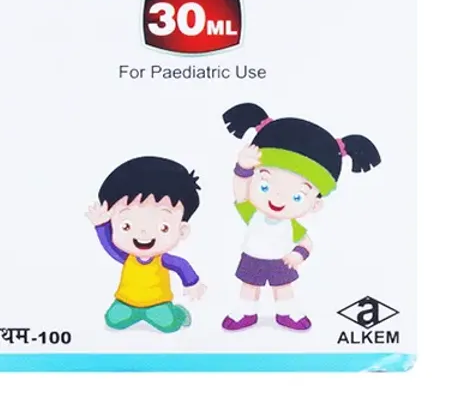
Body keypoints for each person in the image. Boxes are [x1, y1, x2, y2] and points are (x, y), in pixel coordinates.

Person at [221, 103, 381, 331]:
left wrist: (298, 254)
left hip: (281, 260)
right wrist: (242, 167)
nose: (277, 199)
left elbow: (306, 242)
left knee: (283, 288)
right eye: (265, 186)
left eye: (298, 196)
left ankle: (286, 313)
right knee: (249, 286)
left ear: (315, 204)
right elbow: (241, 192)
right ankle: (245, 312)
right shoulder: (252, 213)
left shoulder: (291, 226)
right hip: (253, 258)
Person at [86, 156, 207, 333]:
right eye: (126, 226)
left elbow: (181, 265)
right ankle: (134, 313)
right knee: (113, 320)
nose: (143, 234)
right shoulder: (128, 258)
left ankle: (179, 314)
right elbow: (110, 247)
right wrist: (101, 226)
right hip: (126, 301)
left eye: (163, 227)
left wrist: (192, 283)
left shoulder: (162, 260)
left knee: (169, 325)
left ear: (182, 230)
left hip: (157, 303)